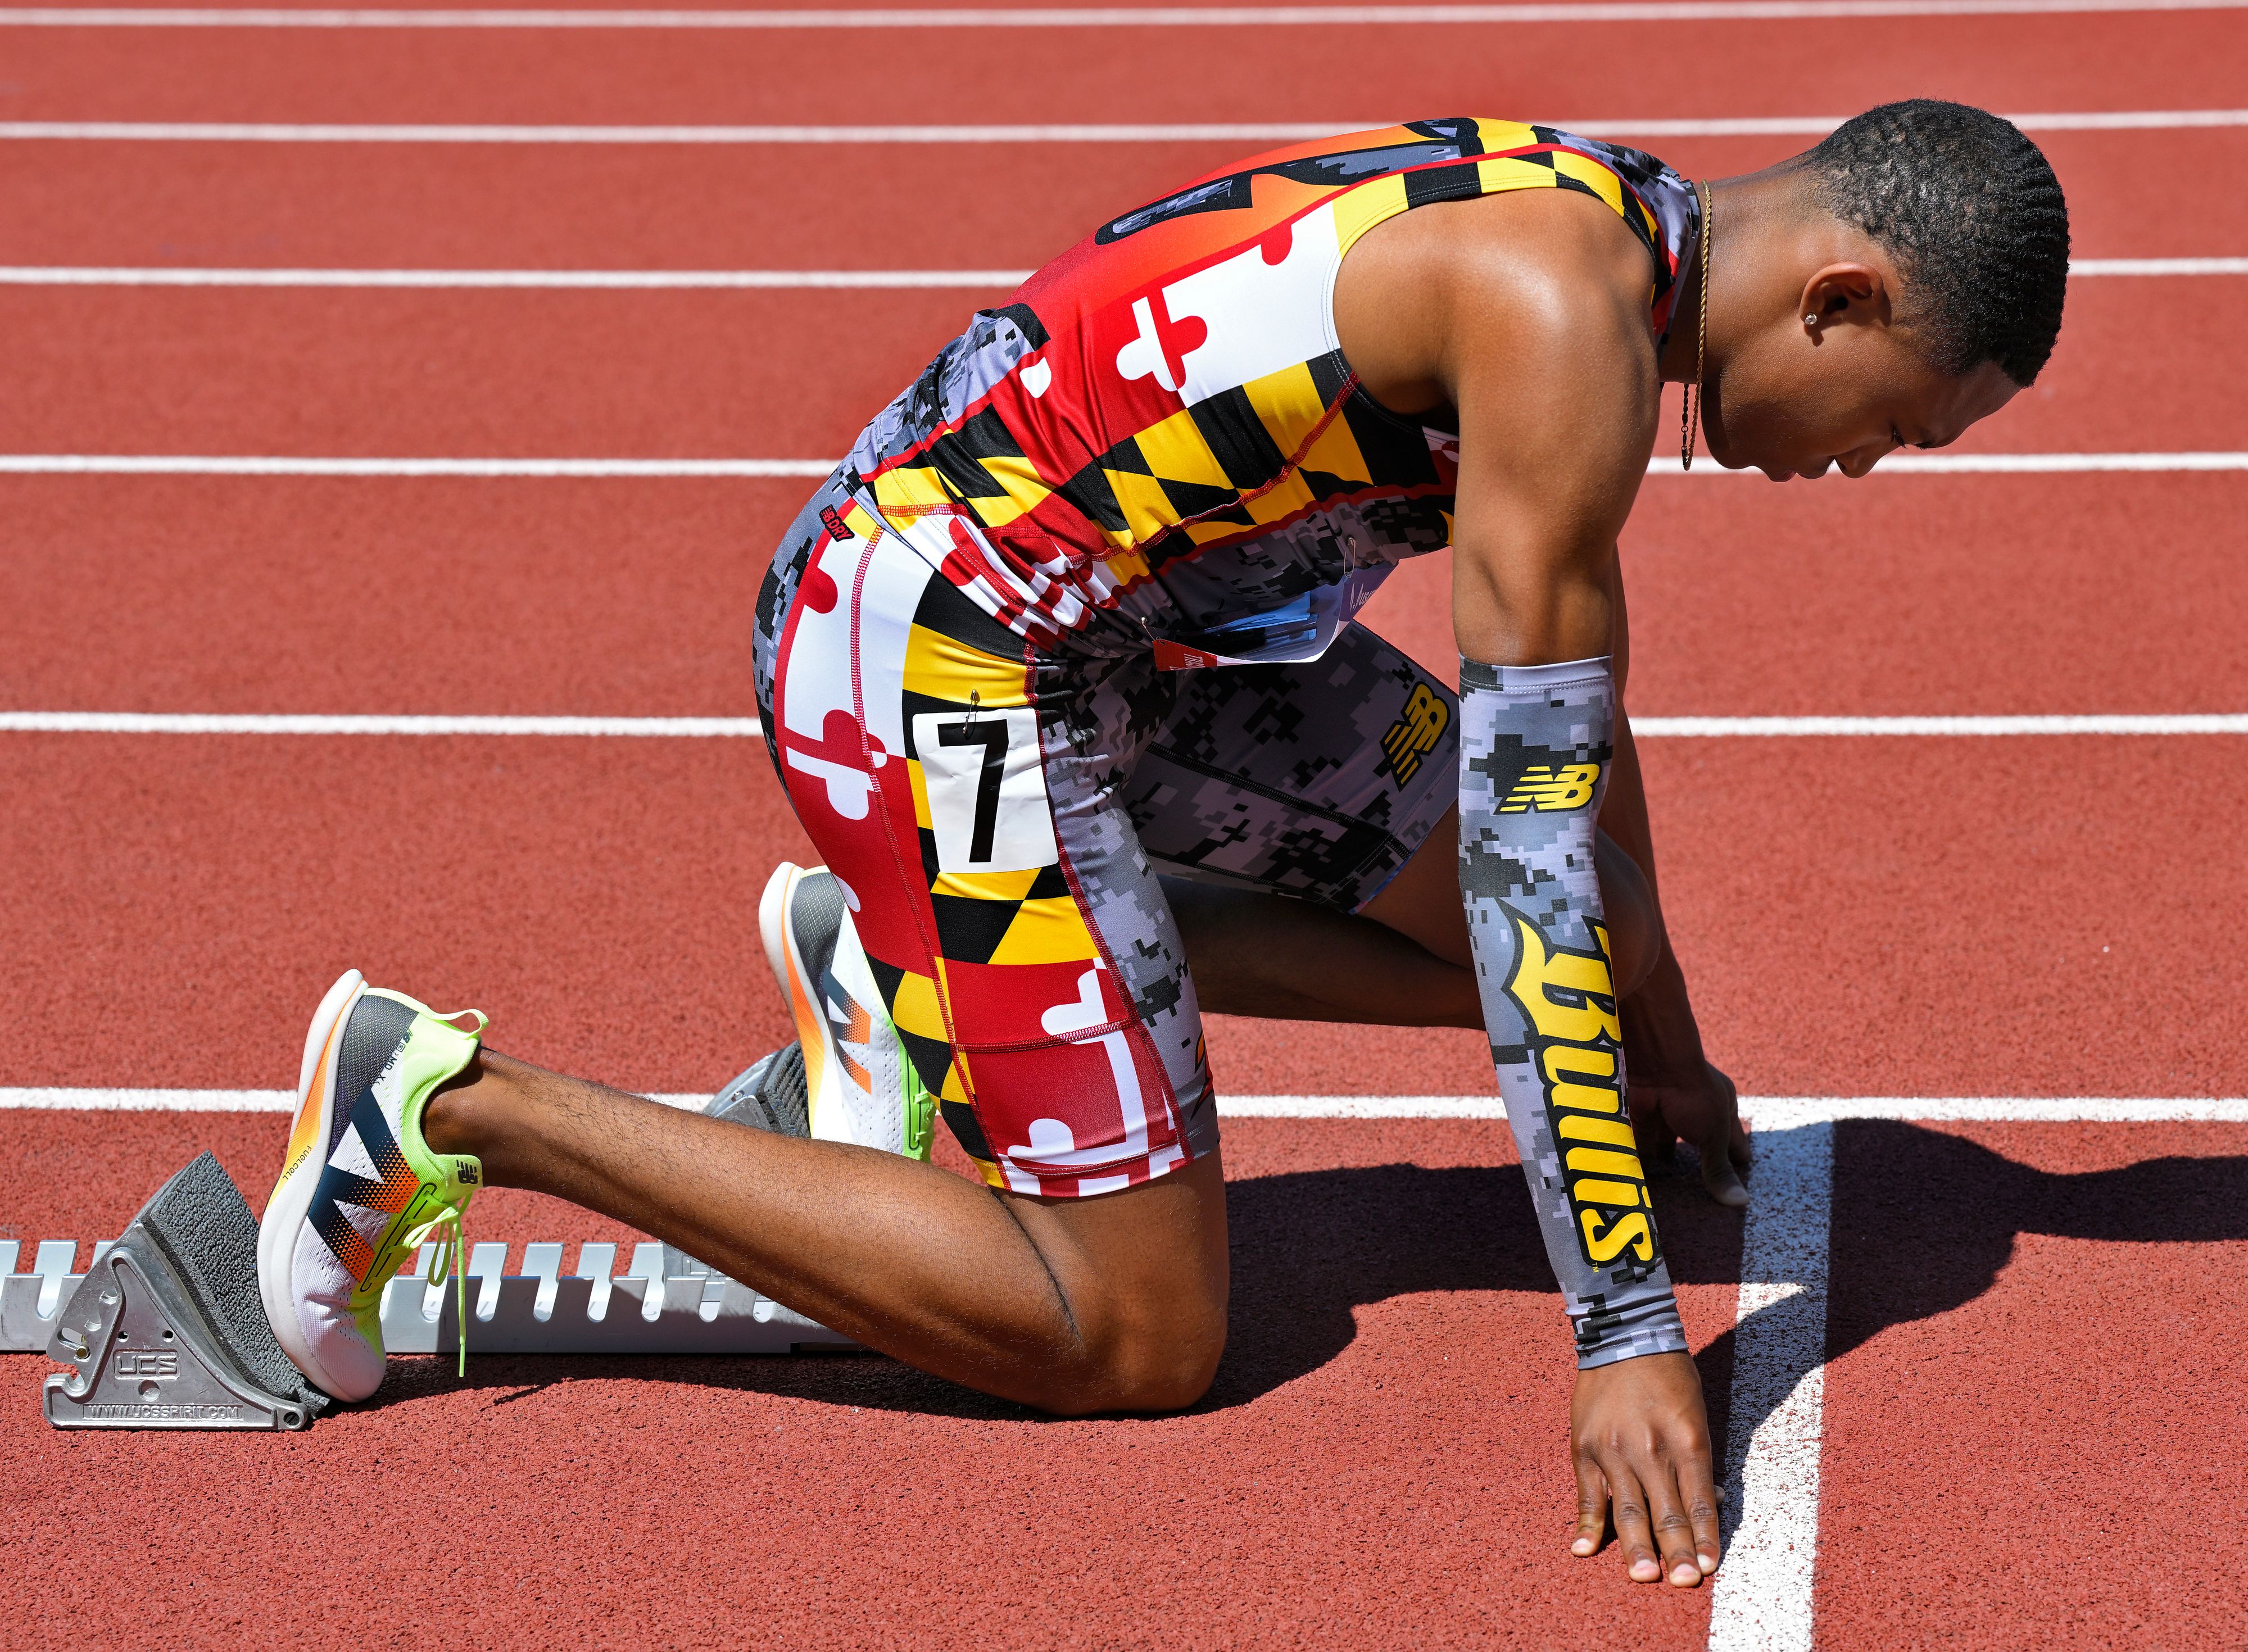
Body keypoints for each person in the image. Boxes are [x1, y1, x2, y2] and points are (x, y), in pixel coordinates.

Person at [256, 101, 2068, 1589]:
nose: (1860, 472)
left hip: (1144, 638)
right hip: (937, 644)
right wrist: (1624, 1334)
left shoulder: (1607, 227)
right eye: (1899, 427)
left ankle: (903, 981)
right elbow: (1525, 870)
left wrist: (1661, 1033)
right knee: (1134, 1335)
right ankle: (445, 1105)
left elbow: (1568, 756)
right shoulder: (1558, 317)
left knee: (1570, 935)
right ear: (1839, 297)